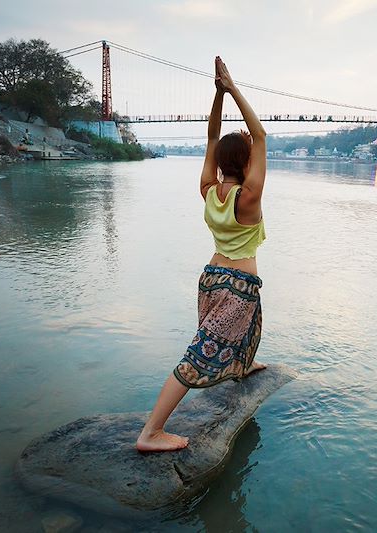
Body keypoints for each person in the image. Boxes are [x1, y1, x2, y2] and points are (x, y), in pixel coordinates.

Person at [136, 57, 268, 452]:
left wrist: (217, 94)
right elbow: (260, 136)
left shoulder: (208, 189)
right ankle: (152, 431)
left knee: (254, 316)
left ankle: (242, 364)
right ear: (246, 162)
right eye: (249, 152)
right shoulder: (248, 199)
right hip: (237, 288)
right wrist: (232, 88)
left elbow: (212, 139)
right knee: (197, 357)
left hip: (212, 280)